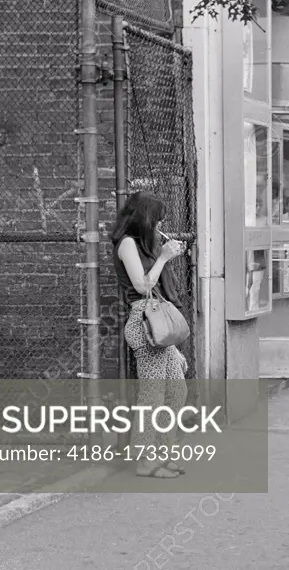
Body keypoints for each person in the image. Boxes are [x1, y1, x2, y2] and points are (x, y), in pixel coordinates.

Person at [110, 191, 189, 479]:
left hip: (158, 325)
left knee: (177, 392)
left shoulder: (143, 245)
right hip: (144, 323)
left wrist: (174, 349)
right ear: (144, 219)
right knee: (152, 397)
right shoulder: (127, 244)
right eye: (156, 221)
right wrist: (164, 257)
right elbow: (143, 286)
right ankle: (144, 460)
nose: (159, 226)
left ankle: (163, 454)